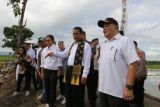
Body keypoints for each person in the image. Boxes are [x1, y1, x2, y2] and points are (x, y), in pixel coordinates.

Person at [97, 17, 139, 107]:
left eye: (107, 25)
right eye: (103, 26)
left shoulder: (125, 40)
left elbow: (133, 64)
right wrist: (99, 84)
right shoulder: (104, 44)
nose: (104, 28)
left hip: (118, 93)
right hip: (102, 91)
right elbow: (103, 66)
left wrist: (129, 88)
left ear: (116, 26)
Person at [47, 27, 91, 107]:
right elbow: (63, 54)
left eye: (76, 33)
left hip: (78, 70)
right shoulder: (72, 45)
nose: (75, 35)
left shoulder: (86, 45)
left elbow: (87, 62)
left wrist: (85, 75)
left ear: (81, 34)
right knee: (69, 93)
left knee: (77, 95)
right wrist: (53, 53)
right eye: (73, 34)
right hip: (69, 70)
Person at [41, 35, 61, 107]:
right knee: (47, 87)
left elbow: (59, 59)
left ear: (52, 40)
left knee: (52, 87)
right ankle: (49, 101)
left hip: (54, 70)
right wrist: (42, 71)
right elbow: (42, 62)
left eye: (49, 40)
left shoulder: (56, 48)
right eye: (46, 40)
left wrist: (59, 70)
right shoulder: (44, 50)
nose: (47, 41)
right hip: (46, 70)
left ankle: (51, 103)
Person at [133, 41, 147, 107]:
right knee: (136, 91)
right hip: (136, 75)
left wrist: (137, 77)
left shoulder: (140, 52)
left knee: (139, 92)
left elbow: (142, 66)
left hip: (139, 76)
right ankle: (137, 103)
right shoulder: (135, 52)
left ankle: (139, 104)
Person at [87, 38, 99, 107]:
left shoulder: (97, 49)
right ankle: (92, 100)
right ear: (93, 42)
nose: (97, 43)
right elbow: (91, 57)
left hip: (96, 68)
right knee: (91, 85)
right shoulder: (90, 47)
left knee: (94, 84)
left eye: (98, 42)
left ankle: (93, 97)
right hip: (90, 69)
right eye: (96, 42)